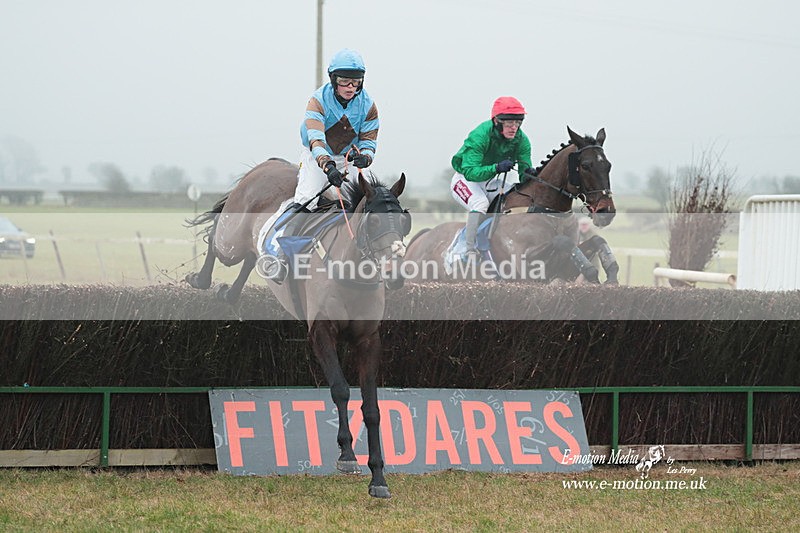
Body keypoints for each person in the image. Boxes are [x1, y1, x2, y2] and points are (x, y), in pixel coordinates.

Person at [288, 48, 379, 220]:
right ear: (333, 80)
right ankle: (289, 240)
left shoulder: (368, 106)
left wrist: (366, 157)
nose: (351, 87)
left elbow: (368, 140)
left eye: (356, 82)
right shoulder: (318, 101)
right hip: (317, 157)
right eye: (344, 81)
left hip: (348, 160)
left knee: (370, 199)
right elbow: (316, 141)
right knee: (306, 200)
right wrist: (328, 167)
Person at [450, 96, 533, 259]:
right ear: (497, 121)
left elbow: (524, 174)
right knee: (481, 203)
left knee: (517, 197)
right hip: (465, 180)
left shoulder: (522, 140)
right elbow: (471, 172)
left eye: (517, 123)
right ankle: (469, 249)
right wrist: (496, 167)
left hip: (489, 182)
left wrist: (531, 174)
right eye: (509, 123)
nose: (514, 128)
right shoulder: (480, 135)